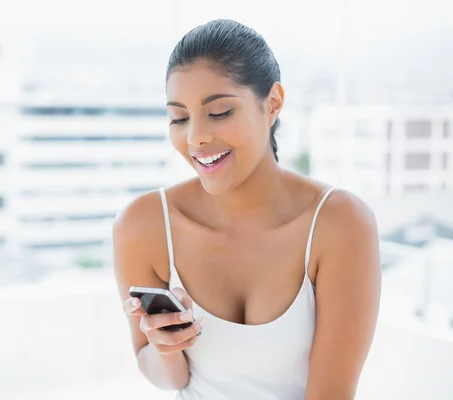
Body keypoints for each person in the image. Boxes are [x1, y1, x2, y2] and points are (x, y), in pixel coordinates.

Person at [113, 19, 381, 400]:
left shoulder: (340, 224)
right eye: (179, 118)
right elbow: (165, 376)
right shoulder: (142, 225)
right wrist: (165, 348)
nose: (196, 137)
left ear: (272, 104)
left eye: (219, 112)